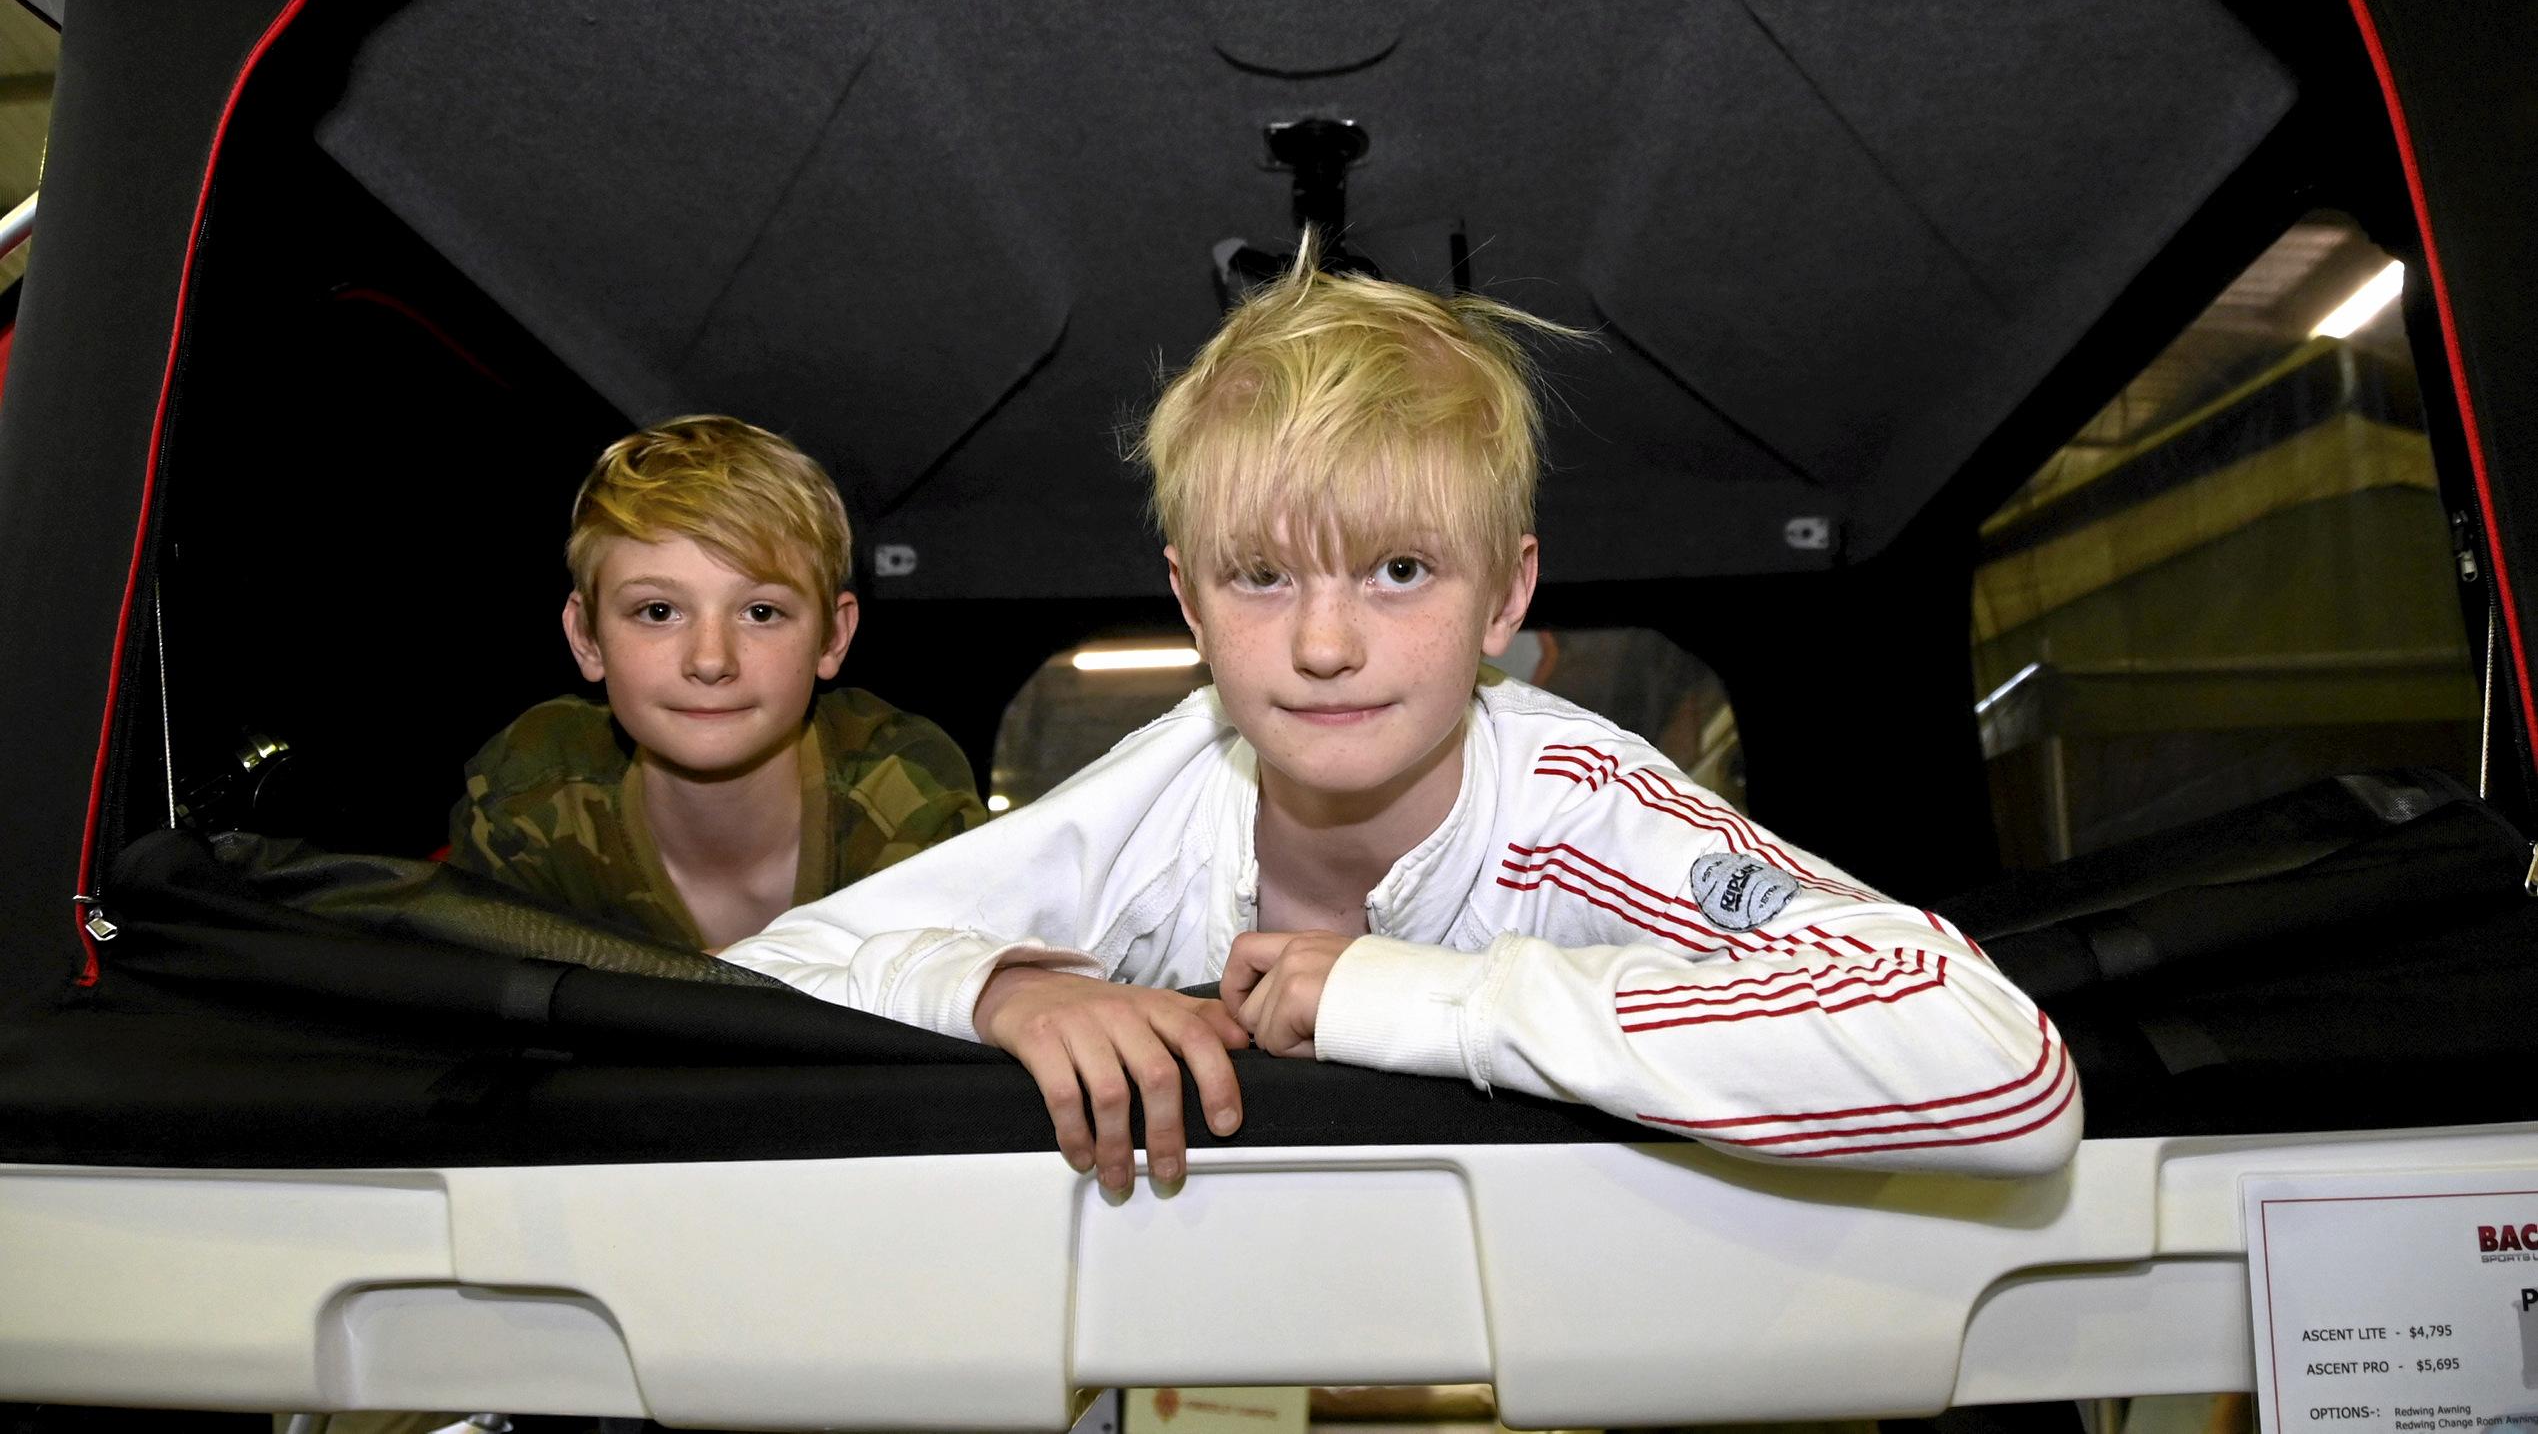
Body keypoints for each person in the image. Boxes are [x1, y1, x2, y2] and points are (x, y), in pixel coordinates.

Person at [721, 257, 2079, 1191]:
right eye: (1261, 577)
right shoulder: (1167, 784)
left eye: (1399, 570)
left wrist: (1422, 999)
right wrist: (1008, 988)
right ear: (1190, 603)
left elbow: (1995, 1056)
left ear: (1506, 595)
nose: (1322, 643)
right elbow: (771, 971)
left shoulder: (1579, 802)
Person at [449, 414, 986, 950]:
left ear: (832, 638)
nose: (710, 661)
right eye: (658, 611)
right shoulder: (530, 797)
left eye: (761, 611)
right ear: (587, 637)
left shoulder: (901, 790)